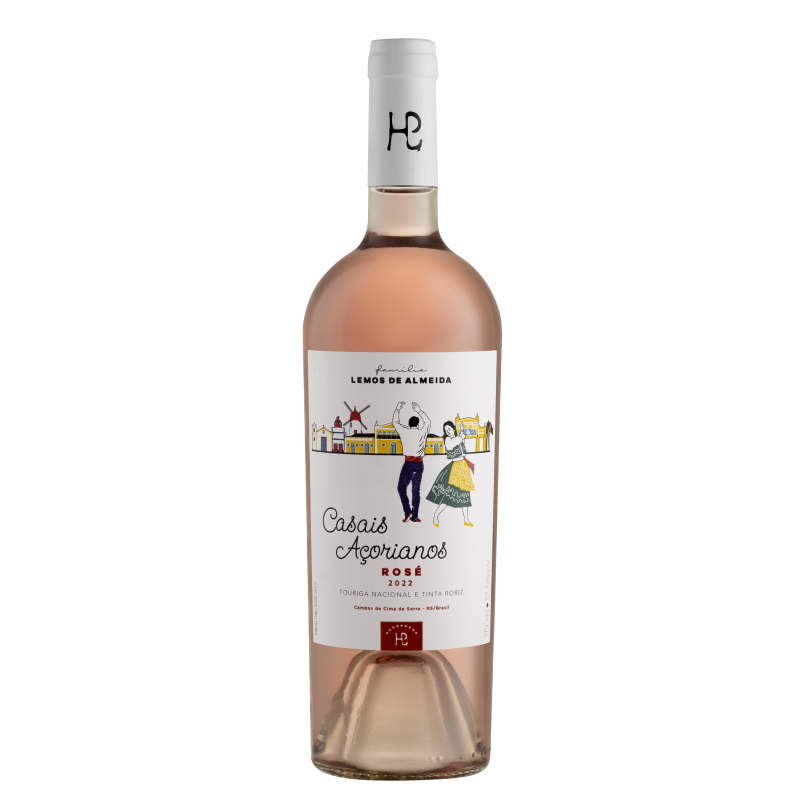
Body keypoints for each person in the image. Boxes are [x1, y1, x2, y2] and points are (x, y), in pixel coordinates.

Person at [426, 421, 475, 526]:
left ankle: (466, 519)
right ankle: (436, 515)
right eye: (446, 430)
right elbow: (450, 446)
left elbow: (463, 451)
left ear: (453, 428)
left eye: (449, 429)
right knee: (447, 495)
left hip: (463, 468)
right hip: (454, 469)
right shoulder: (448, 440)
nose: (447, 431)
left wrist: (461, 436)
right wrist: (461, 437)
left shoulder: (458, 438)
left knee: (465, 494)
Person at [393, 401, 431, 522]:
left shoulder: (404, 431)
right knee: (416, 491)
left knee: (401, 488)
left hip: (408, 464)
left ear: (409, 424)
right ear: (418, 424)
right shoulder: (422, 431)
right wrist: (419, 410)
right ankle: (414, 516)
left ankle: (407, 511)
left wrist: (398, 409)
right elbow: (428, 422)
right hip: (419, 464)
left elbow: (395, 422)